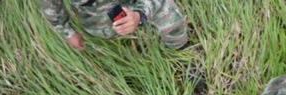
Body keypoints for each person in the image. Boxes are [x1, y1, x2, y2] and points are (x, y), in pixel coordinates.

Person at [39, 0, 189, 50]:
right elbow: (50, 5)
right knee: (107, 35)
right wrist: (68, 32)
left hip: (136, 4)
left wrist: (139, 14)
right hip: (100, 19)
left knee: (169, 12)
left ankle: (181, 51)